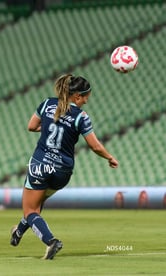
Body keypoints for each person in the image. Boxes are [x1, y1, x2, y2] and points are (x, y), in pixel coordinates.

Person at [10, 74, 118, 260]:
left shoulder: (46, 104)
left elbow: (31, 126)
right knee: (38, 204)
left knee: (30, 211)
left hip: (40, 165)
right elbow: (95, 146)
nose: (87, 100)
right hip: (62, 171)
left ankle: (51, 241)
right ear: (76, 96)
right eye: (85, 96)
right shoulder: (81, 117)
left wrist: (46, 127)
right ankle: (18, 232)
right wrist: (109, 157)